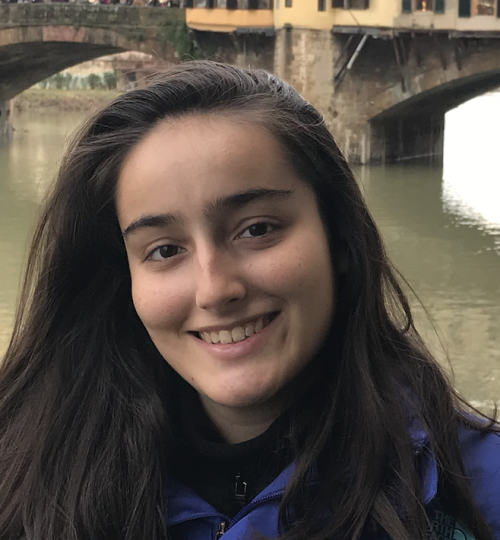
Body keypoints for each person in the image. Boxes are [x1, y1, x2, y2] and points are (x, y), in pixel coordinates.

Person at [0, 61, 498, 540]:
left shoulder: (479, 487)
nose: (215, 289)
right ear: (122, 278)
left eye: (257, 229)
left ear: (340, 240)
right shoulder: (25, 469)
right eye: (165, 250)